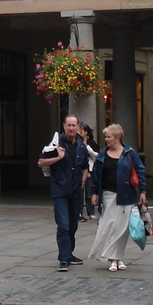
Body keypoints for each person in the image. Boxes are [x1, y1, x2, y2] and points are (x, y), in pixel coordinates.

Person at [86, 123, 146, 272]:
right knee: (109, 226)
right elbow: (96, 175)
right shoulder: (102, 154)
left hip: (126, 195)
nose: (106, 139)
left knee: (122, 229)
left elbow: (140, 171)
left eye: (108, 136)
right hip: (108, 195)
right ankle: (112, 257)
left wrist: (143, 191)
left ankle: (116, 258)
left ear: (117, 137)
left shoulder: (130, 153)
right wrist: (94, 193)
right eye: (105, 137)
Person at [37, 114, 90, 272]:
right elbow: (40, 162)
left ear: (78, 128)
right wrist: (58, 158)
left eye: (74, 126)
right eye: (69, 125)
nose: (72, 128)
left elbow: (85, 166)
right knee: (63, 225)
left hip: (75, 191)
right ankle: (64, 258)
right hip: (60, 190)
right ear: (64, 126)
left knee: (73, 225)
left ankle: (69, 253)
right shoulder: (56, 144)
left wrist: (83, 182)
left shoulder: (81, 145)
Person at [80, 123, 100, 221]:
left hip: (90, 170)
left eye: (82, 130)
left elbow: (96, 156)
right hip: (79, 171)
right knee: (79, 192)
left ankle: (91, 212)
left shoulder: (91, 143)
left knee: (89, 192)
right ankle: (78, 213)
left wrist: (86, 146)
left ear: (86, 132)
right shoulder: (76, 142)